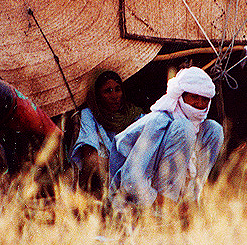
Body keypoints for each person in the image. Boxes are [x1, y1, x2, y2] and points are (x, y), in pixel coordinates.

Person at [109, 67, 223, 214]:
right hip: (133, 202)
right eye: (195, 97)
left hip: (175, 203)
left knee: (214, 128)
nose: (200, 104)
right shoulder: (160, 121)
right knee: (184, 128)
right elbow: (131, 180)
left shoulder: (199, 127)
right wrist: (164, 202)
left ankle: (190, 203)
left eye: (205, 99)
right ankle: (166, 212)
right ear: (181, 96)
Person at [70, 70, 145, 198]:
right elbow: (89, 153)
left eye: (117, 89)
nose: (115, 96)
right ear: (97, 95)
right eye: (107, 91)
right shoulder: (89, 114)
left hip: (131, 173)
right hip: (102, 174)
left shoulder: (134, 114)